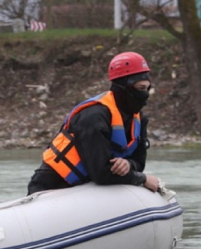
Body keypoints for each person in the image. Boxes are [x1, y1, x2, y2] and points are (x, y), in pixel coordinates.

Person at [27, 51, 160, 195]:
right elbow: (101, 173)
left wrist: (128, 164)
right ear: (123, 87)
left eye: (147, 88)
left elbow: (139, 162)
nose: (145, 94)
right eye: (140, 88)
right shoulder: (94, 116)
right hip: (51, 186)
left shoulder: (140, 119)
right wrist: (142, 179)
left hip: (88, 191)